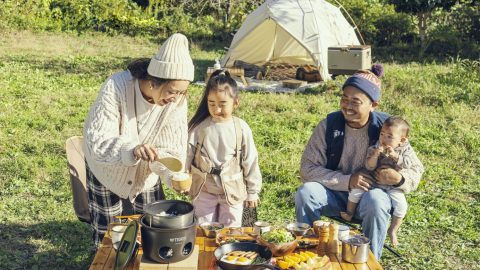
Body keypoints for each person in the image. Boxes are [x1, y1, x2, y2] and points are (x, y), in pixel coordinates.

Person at [295, 64, 424, 259]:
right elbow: (307, 168)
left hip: (370, 199)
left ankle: (370, 259)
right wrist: (348, 181)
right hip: (335, 194)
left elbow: (416, 169)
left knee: (376, 200)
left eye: (355, 102)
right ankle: (308, 255)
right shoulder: (329, 125)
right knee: (306, 193)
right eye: (344, 99)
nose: (347, 106)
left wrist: (399, 179)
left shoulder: (388, 129)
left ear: (373, 105)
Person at [83, 33, 194, 247]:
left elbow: (170, 150)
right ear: (153, 82)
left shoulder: (177, 102)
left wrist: (173, 177)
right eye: (172, 91)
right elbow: (97, 140)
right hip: (107, 171)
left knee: (152, 232)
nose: (176, 99)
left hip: (146, 175)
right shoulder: (117, 86)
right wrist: (132, 150)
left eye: (182, 92)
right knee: (109, 236)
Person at [185, 70, 262, 227]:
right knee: (203, 229)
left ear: (236, 102)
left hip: (233, 193)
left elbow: (250, 161)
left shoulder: (241, 128)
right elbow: (187, 154)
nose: (216, 109)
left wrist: (252, 192)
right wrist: (183, 178)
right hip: (204, 191)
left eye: (222, 104)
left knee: (231, 231)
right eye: (211, 103)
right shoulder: (200, 127)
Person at [340, 116, 420, 247]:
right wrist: (375, 155)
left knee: (402, 206)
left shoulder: (406, 150)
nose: (383, 138)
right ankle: (349, 212)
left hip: (393, 186)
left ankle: (393, 230)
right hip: (374, 180)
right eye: (382, 134)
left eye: (389, 136)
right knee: (355, 191)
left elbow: (409, 165)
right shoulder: (376, 146)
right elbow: (369, 166)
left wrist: (396, 157)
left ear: (402, 140)